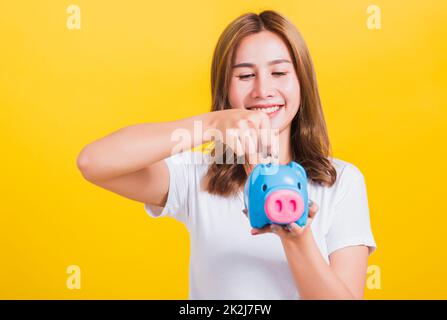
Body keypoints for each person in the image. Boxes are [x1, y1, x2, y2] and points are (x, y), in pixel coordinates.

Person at [77, 10, 377, 300]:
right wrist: (210, 125)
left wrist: (297, 239)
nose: (263, 89)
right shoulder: (199, 174)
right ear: (226, 88)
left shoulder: (341, 182)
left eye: (279, 72)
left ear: (302, 82)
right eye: (245, 75)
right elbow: (93, 162)